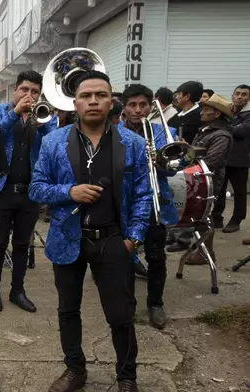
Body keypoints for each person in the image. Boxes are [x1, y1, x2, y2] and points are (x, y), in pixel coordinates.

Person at [29, 70, 151, 392]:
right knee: (68, 310)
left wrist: (133, 239)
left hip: (114, 239)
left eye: (100, 95)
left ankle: (127, 378)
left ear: (113, 101)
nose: (93, 101)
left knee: (121, 315)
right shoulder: (54, 141)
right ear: (75, 102)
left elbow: (143, 194)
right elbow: (36, 188)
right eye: (86, 96)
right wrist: (69, 192)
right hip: (67, 239)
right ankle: (75, 371)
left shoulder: (134, 143)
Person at [0, 70, 58, 313]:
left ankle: (17, 290)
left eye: (35, 91)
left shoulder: (44, 114)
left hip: (30, 192)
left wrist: (42, 123)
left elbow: (54, 143)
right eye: (25, 90)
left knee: (22, 245)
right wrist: (16, 114)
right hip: (1, 190)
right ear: (15, 90)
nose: (29, 95)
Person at [120, 84, 178, 329]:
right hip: (126, 203)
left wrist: (160, 160)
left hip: (156, 201)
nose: (137, 110)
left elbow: (175, 167)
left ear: (151, 106)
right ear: (124, 108)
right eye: (132, 105)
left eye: (142, 105)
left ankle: (155, 303)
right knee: (124, 257)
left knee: (156, 257)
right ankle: (127, 303)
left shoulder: (164, 131)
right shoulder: (114, 133)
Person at [180, 94, 233, 265]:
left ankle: (205, 253)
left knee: (205, 216)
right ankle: (203, 251)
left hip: (209, 180)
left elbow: (212, 161)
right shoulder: (206, 130)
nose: (202, 113)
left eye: (206, 110)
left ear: (217, 114)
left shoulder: (221, 135)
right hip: (200, 178)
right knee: (201, 216)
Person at [212, 84, 250, 233]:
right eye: (237, 93)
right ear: (233, 95)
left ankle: (236, 220)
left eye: (244, 94)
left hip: (240, 159)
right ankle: (217, 218)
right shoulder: (227, 111)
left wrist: (224, 128)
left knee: (239, 193)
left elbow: (243, 131)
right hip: (223, 157)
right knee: (219, 190)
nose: (240, 96)